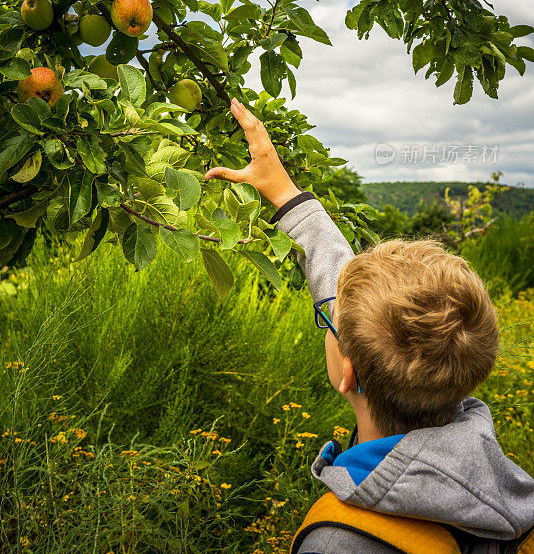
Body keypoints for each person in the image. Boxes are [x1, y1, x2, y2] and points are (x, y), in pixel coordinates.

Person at [205, 98, 534, 553]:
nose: (331, 311)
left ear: (348, 370)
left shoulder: (339, 544)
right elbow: (358, 308)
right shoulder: (501, 484)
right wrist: (286, 195)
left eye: (331, 319)